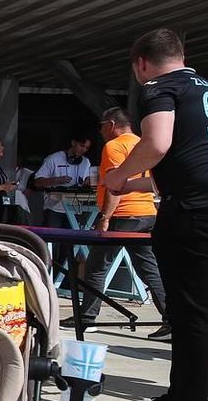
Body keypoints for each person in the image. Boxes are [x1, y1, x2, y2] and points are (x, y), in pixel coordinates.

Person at [104, 28, 208, 401]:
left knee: (193, 317)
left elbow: (157, 143)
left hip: (198, 212)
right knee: (190, 313)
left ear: (141, 64)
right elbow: (188, 162)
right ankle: (178, 399)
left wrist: (119, 174)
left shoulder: (159, 87)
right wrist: (134, 184)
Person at [63, 107, 168, 337]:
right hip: (146, 212)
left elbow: (115, 185)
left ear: (110, 125)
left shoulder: (114, 146)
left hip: (123, 214)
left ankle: (87, 318)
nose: (100, 132)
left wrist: (105, 217)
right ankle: (172, 319)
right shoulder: (143, 144)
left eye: (101, 126)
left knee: (96, 267)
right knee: (149, 270)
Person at [32, 134, 93, 228]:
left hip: (76, 210)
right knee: (52, 236)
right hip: (54, 209)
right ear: (73, 143)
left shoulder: (86, 162)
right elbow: (37, 182)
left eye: (86, 148)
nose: (83, 150)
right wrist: (56, 180)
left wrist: (89, 182)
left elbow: (86, 182)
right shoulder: (53, 158)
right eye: (81, 145)